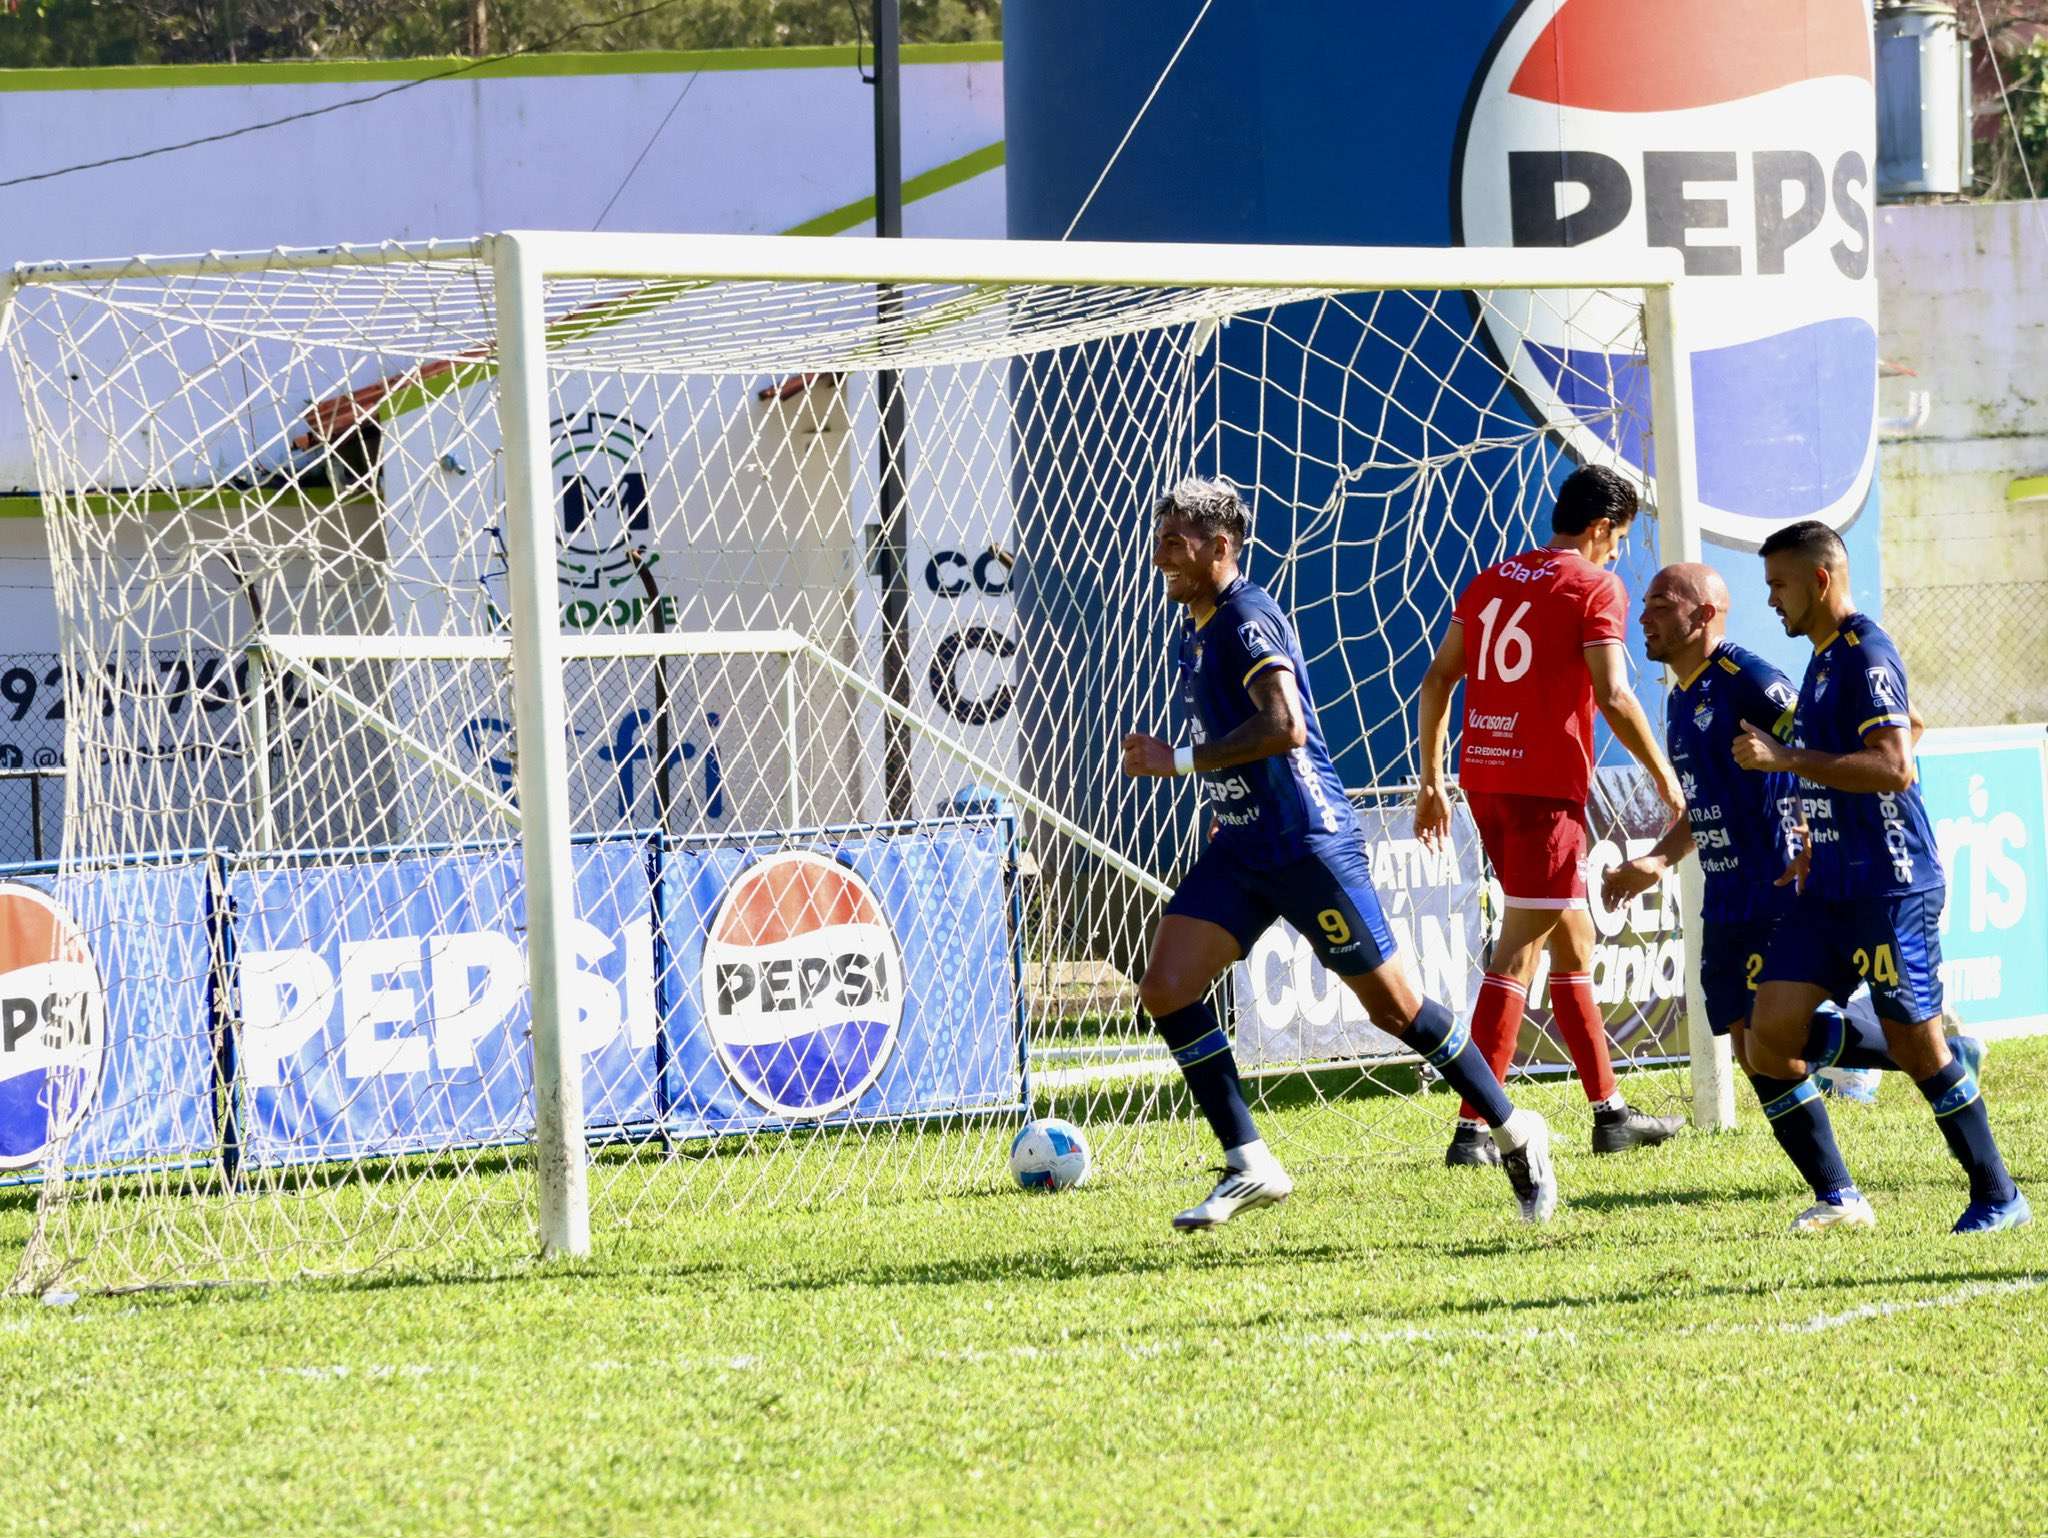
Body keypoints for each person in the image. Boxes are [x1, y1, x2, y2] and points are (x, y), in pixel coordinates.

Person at [1121, 476, 1557, 1230]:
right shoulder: (1195, 629)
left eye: (1175, 542)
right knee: (1166, 986)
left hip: (1306, 844)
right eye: (1159, 540)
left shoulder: (1246, 616)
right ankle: (1249, 1163)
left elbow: (1284, 726)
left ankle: (1517, 1131)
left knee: (1395, 1010)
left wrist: (1178, 762)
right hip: (1244, 846)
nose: (1161, 556)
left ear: (1220, 547)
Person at [1601, 563, 1985, 1137]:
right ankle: (1929, 1065)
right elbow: (1711, 804)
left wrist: (1816, 822)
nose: (1643, 617)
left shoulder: (1749, 680)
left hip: (1775, 890)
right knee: (1749, 1048)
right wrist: (1657, 859)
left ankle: (1928, 1069)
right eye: (1645, 604)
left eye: (1661, 604)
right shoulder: (1681, 698)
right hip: (1726, 897)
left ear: (1702, 614)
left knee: (1770, 1043)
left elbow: (1885, 732)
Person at [1729, 519, 2026, 1234]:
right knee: (1768, 1034)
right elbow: (1910, 721)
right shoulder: (1825, 657)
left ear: (1820, 580)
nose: (1770, 600)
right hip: (1830, 885)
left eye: (1779, 585)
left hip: (1891, 886)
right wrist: (1820, 828)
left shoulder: (1865, 653)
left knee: (1916, 1048)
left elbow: (1896, 764)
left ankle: (1999, 1194)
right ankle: (1840, 1198)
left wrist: (1786, 760)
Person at [1414, 465, 1687, 1168]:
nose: (1618, 553)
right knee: (1518, 952)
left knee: (1573, 941)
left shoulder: (1491, 580)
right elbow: (1615, 695)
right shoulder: (1595, 587)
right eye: (1619, 539)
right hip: (1543, 792)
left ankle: (1611, 1115)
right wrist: (1665, 776)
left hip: (1486, 779)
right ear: (1600, 528)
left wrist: (1432, 780)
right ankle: (1475, 1130)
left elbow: (1439, 677)